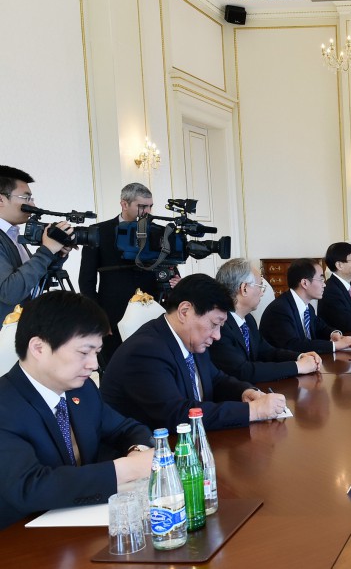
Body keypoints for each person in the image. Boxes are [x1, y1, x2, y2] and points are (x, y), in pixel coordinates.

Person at [0, 291, 153, 529]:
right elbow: (29, 487)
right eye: (83, 352)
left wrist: (137, 452)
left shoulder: (82, 390)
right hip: (20, 538)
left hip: (81, 525)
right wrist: (126, 469)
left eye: (96, 352)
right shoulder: (5, 404)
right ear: (39, 348)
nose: (94, 364)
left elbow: (126, 428)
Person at [101, 274, 287, 431]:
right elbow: (177, 414)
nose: (217, 336)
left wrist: (245, 392)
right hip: (145, 452)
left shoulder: (190, 339)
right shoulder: (145, 351)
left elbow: (216, 379)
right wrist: (253, 411)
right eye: (214, 324)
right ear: (185, 311)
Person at [78, 183, 178, 364]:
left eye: (150, 206)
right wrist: (98, 319)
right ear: (124, 204)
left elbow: (171, 271)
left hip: (154, 312)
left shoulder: (161, 232)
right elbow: (86, 281)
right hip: (112, 317)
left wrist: (177, 282)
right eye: (142, 206)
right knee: (113, 367)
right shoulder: (98, 232)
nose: (148, 212)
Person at [210, 258, 322, 384]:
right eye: (260, 286)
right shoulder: (220, 326)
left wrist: (300, 356)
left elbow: (266, 351)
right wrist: (298, 366)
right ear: (244, 288)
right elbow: (243, 371)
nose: (262, 293)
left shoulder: (248, 319)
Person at [0, 165, 75, 319]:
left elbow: (30, 285)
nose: (33, 205)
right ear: (1, 199)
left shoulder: (12, 235)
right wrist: (46, 251)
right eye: (26, 198)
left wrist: (56, 256)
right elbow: (10, 293)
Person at [259, 258, 351, 352]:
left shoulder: (308, 308)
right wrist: (335, 345)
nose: (324, 284)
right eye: (321, 279)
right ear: (305, 283)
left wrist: (333, 333)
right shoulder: (280, 310)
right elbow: (293, 345)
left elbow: (320, 327)